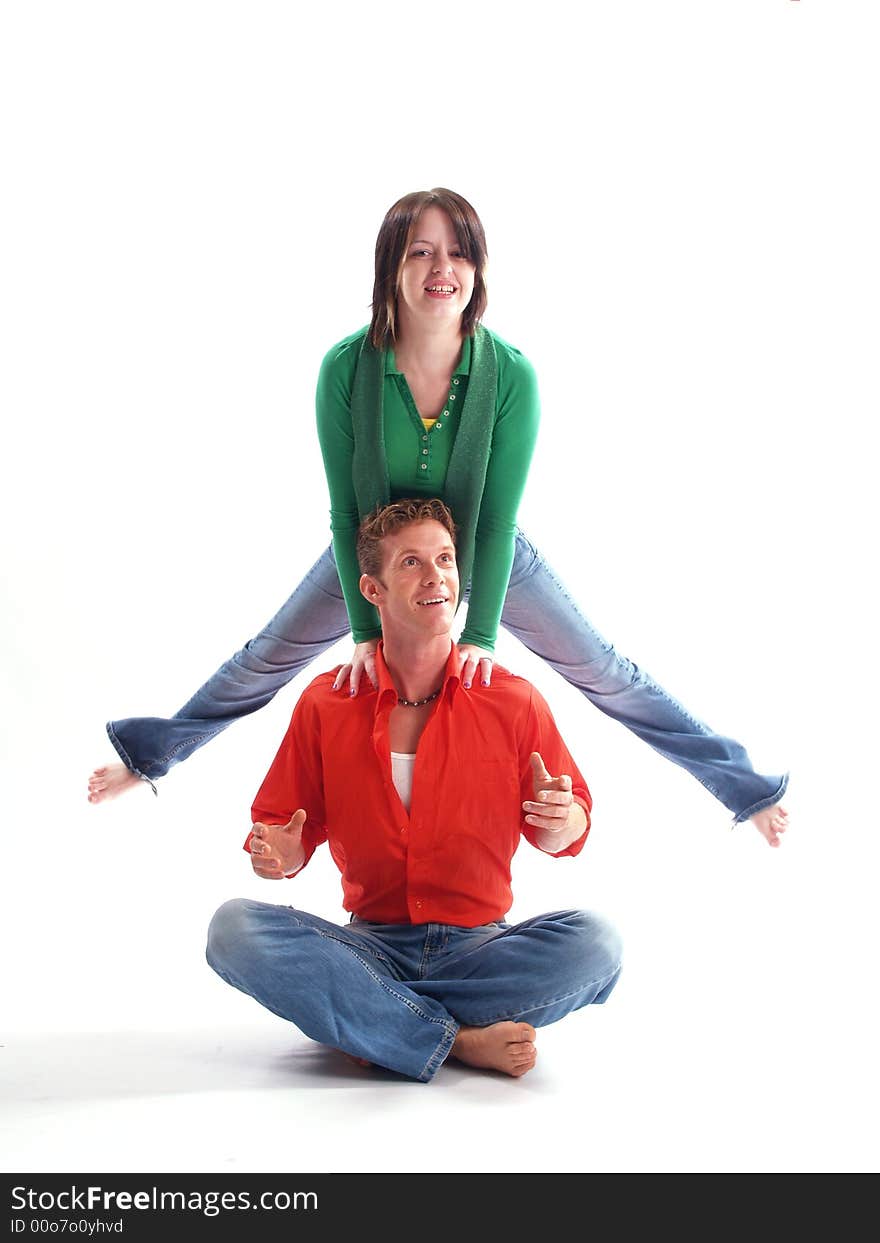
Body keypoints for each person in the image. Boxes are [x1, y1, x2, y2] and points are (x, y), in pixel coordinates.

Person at [88, 186, 789, 846]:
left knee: (605, 669)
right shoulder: (346, 370)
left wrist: (480, 634)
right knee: (266, 657)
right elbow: (345, 514)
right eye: (420, 251)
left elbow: (494, 519)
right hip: (377, 558)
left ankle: (747, 790)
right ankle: (147, 758)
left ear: (477, 270)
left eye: (457, 251)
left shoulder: (511, 375)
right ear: (391, 266)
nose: (440, 267)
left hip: (480, 548)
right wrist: (365, 628)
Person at [206, 499, 622, 1081]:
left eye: (446, 559)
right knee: (234, 930)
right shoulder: (327, 702)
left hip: (482, 951)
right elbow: (288, 830)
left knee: (597, 944)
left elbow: (567, 823)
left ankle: (372, 1019)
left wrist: (563, 822)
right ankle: (453, 1042)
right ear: (371, 590)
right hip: (369, 946)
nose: (436, 577)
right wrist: (279, 851)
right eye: (411, 562)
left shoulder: (513, 699)